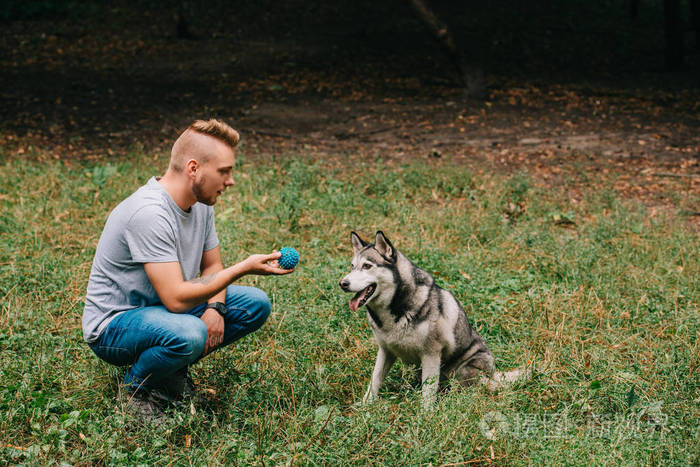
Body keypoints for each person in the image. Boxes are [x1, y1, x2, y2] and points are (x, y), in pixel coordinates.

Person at [82, 119, 293, 421]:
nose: (230, 181)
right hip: (114, 327)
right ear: (193, 168)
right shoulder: (149, 213)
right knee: (190, 332)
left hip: (162, 313)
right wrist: (243, 268)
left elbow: (212, 265)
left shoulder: (202, 204)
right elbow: (177, 300)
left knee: (254, 304)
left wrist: (216, 309)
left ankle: (167, 369)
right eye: (224, 171)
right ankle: (135, 388)